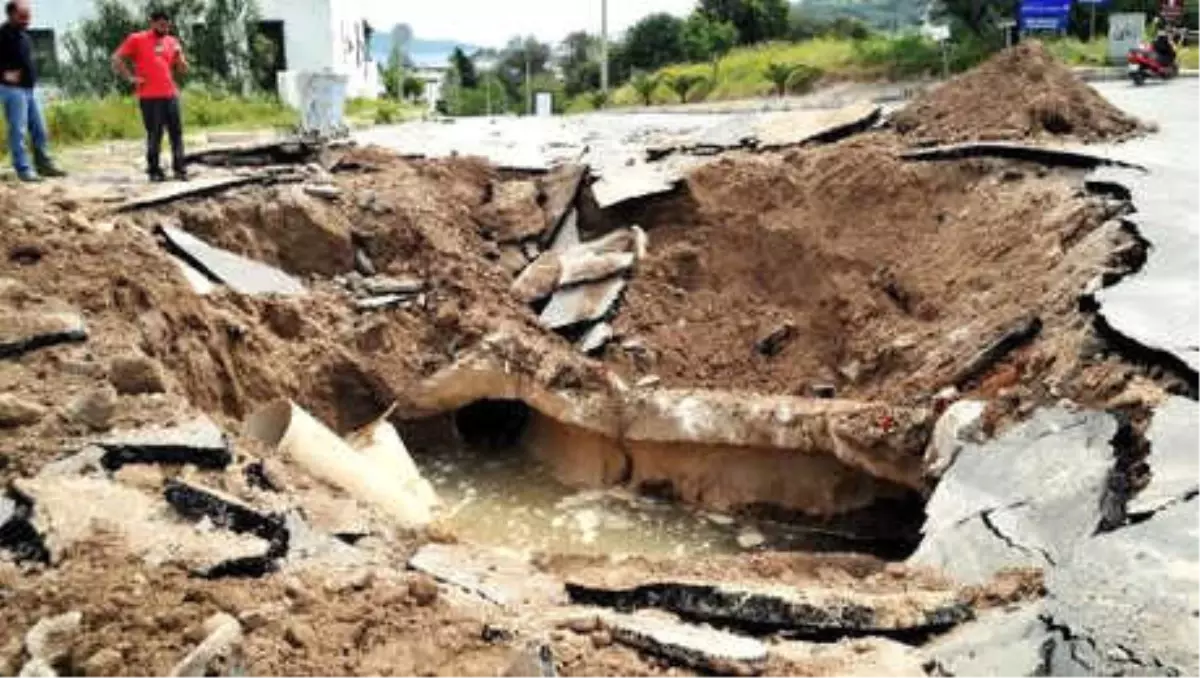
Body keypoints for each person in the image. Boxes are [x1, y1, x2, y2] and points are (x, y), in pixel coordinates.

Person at [112, 9, 189, 182]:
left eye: (167, 24)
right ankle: (154, 170)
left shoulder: (172, 41)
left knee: (176, 133)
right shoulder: (137, 39)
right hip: (149, 96)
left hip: (170, 94)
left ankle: (180, 169)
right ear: (152, 23)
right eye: (161, 24)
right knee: (155, 134)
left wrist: (182, 59)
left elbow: (182, 69)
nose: (165, 27)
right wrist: (130, 78)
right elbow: (117, 58)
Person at [0, 0, 65, 182]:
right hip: (12, 90)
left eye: (28, 16)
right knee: (18, 130)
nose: (27, 20)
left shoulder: (24, 36)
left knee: (40, 128)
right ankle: (23, 169)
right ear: (11, 14)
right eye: (23, 16)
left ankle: (44, 164)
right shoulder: (2, 35)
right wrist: (3, 74)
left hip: (30, 89)